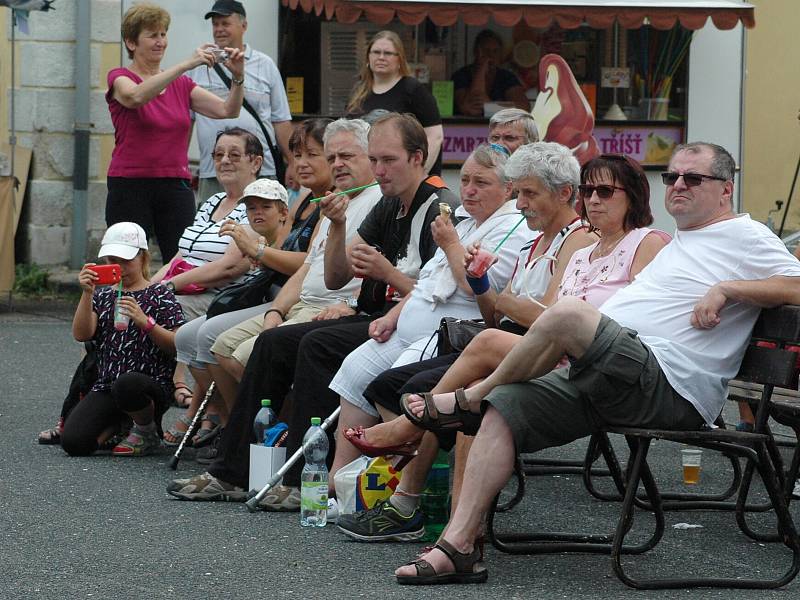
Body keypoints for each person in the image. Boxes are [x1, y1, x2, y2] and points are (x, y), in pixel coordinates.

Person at [390, 142, 800, 585]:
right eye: (673, 176)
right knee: (503, 409)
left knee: (566, 313)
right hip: (609, 375)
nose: (678, 185)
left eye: (693, 178)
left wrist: (728, 290)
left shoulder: (745, 234)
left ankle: (470, 396)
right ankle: (459, 547)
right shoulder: (686, 238)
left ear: (726, 189)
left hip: (667, 384)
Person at [337, 150, 665, 542]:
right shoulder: (580, 252)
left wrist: (472, 268)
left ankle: (416, 481)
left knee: (466, 386)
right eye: (589, 190)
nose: (592, 199)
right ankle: (438, 515)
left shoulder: (610, 240)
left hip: (584, 358)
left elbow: (553, 315)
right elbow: (500, 312)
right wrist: (480, 283)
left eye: (605, 191)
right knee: (449, 389)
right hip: (534, 349)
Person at [167, 112, 457, 505]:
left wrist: (387, 273)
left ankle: (305, 481)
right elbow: (336, 276)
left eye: (387, 160)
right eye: (374, 160)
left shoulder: (437, 207)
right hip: (373, 315)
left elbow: (437, 294)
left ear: (418, 158)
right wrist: (336, 227)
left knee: (315, 345)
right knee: (273, 342)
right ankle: (231, 472)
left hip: (405, 324)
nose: (379, 169)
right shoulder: (387, 205)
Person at [162, 119, 327, 445]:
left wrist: (258, 252)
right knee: (188, 334)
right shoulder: (304, 200)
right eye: (295, 155)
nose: (300, 163)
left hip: (297, 298)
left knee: (210, 334)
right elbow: (283, 253)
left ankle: (250, 427)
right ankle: (232, 420)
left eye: (312, 155)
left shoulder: (329, 204)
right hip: (275, 293)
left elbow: (302, 264)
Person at [105, 3, 245, 261]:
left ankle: (171, 303)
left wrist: (238, 77)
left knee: (182, 260)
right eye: (152, 35)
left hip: (174, 185)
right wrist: (186, 64)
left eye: (163, 34)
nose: (160, 42)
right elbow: (135, 97)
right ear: (131, 42)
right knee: (126, 262)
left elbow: (227, 110)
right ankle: (122, 303)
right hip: (130, 185)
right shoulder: (120, 77)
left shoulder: (181, 85)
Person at [60, 222, 185, 457]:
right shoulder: (104, 293)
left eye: (126, 260)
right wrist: (87, 293)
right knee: (74, 443)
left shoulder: (160, 294)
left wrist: (145, 322)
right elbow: (82, 334)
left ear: (144, 258)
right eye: (111, 261)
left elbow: (178, 345)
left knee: (127, 384)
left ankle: (146, 430)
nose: (119, 267)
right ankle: (120, 425)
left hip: (148, 385)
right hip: (108, 383)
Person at [188, 0, 293, 199]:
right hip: (214, 170)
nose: (219, 29)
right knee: (213, 226)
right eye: (215, 24)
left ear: (243, 26)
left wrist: (293, 163)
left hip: (260, 168)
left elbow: (281, 120)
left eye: (225, 23)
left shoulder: (265, 64)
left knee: (262, 225)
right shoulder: (199, 65)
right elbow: (187, 120)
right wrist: (179, 165)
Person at [346, 31, 444, 176]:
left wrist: (418, 175)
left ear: (400, 59)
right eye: (376, 52)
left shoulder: (413, 89)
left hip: (401, 177)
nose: (381, 57)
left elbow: (435, 136)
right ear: (368, 57)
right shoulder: (358, 90)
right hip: (366, 176)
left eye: (388, 53)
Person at [453, 30, 530, 117]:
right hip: (465, 128)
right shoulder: (461, 75)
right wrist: (482, 69)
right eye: (486, 51)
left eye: (495, 51)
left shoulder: (506, 77)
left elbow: (524, 107)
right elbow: (469, 109)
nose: (491, 56)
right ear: (477, 52)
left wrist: (491, 106)